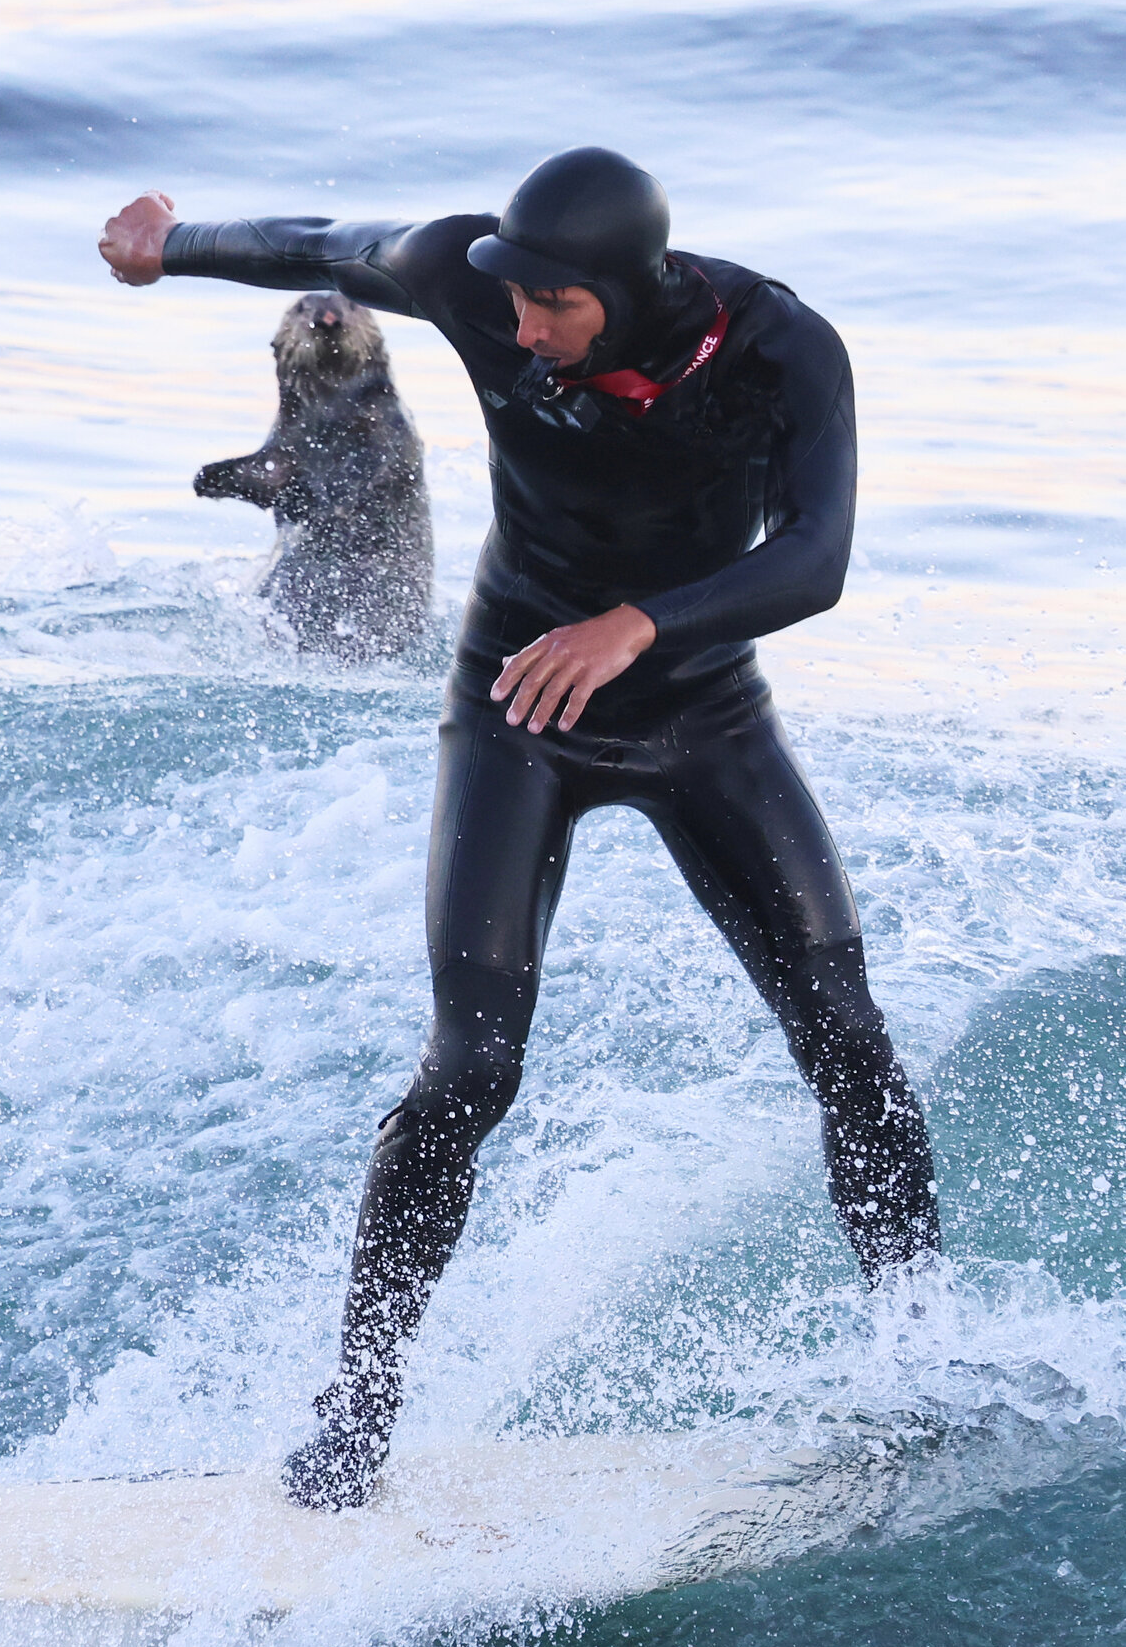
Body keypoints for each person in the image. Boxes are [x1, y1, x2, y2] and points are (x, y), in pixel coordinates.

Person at [99, 148, 941, 1512]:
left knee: (846, 1033)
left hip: (701, 720)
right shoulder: (476, 278)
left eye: (553, 307)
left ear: (626, 287)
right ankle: (356, 1418)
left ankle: (923, 1362)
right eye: (514, 304)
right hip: (518, 710)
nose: (520, 330)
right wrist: (172, 244)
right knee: (471, 1065)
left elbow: (818, 556)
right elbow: (329, 237)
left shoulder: (781, 351)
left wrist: (643, 624)